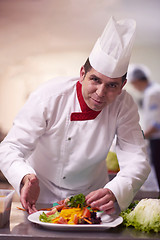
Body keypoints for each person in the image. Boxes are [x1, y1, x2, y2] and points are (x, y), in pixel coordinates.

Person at [0, 17, 150, 214]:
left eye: (112, 85)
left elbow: (136, 158)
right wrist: (25, 176)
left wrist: (115, 190)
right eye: (95, 80)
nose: (101, 92)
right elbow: (10, 147)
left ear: (122, 85)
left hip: (92, 200)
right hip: (41, 198)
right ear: (82, 74)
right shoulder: (48, 97)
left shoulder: (125, 105)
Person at [127, 64, 160, 192]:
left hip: (157, 140)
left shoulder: (153, 93)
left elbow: (157, 124)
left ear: (137, 81)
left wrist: (139, 138)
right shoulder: (152, 91)